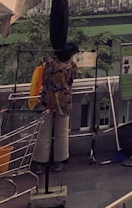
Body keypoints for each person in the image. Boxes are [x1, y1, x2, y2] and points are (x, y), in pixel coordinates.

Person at [32, 42, 79, 173]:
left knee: (43, 132)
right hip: (64, 100)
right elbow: (71, 81)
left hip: (47, 98)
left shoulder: (48, 63)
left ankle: (39, 161)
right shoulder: (72, 66)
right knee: (62, 132)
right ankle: (60, 159)